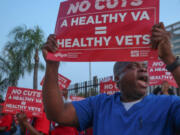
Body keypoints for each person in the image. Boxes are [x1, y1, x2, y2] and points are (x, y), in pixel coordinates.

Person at [42, 22, 180, 134]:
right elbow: (57, 114)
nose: (143, 68)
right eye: (133, 66)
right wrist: (52, 65)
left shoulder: (168, 104)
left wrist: (169, 58)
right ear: (117, 78)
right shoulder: (100, 105)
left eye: (144, 65)